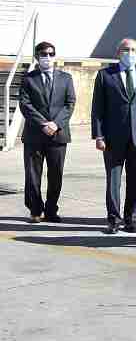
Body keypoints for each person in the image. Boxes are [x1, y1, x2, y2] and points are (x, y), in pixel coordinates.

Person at [92, 38, 136, 234]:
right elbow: (97, 108)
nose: (130, 53)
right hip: (113, 137)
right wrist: (98, 135)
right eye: (126, 49)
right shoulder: (105, 75)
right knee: (113, 179)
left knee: (135, 179)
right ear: (118, 52)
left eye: (134, 50)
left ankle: (131, 218)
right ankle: (113, 219)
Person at [19, 41, 75, 223]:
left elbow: (70, 103)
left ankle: (51, 210)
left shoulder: (66, 78)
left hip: (58, 135)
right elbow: (25, 104)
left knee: (55, 174)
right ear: (37, 57)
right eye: (43, 54)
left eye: (51, 54)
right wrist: (43, 123)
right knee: (33, 175)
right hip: (35, 134)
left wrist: (56, 124)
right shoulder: (28, 79)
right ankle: (35, 210)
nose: (48, 57)